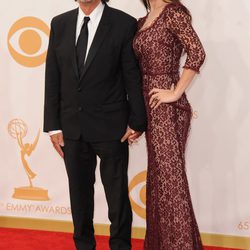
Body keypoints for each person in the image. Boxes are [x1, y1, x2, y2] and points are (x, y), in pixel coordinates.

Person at [43, 0, 147, 249]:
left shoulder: (123, 23)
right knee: (79, 197)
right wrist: (53, 126)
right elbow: (53, 75)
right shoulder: (60, 23)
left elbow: (131, 74)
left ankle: (120, 245)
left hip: (112, 126)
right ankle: (83, 245)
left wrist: (137, 120)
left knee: (117, 196)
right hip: (72, 128)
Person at [133, 0, 206, 249]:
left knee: (170, 182)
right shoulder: (142, 21)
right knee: (158, 182)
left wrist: (174, 92)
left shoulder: (173, 13)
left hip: (167, 109)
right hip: (148, 106)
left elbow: (197, 52)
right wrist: (136, 120)